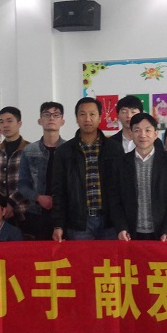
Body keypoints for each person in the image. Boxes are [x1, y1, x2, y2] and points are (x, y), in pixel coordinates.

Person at [108, 113, 167, 333]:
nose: (143, 135)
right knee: (138, 287)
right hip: (134, 235)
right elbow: (114, 200)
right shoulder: (121, 163)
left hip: (162, 235)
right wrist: (121, 227)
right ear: (131, 133)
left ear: (155, 133)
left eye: (148, 130)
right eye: (137, 130)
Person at [52, 97, 125, 242]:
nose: (87, 119)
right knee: (81, 257)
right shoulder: (64, 151)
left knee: (109, 257)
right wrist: (58, 225)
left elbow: (122, 187)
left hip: (110, 222)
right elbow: (58, 191)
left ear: (100, 118)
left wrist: (122, 223)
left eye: (92, 114)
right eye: (82, 114)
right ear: (77, 118)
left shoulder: (114, 149)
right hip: (79, 223)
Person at [17, 102, 66, 240]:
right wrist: (38, 198)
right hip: (36, 212)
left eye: (56, 115)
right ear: (40, 120)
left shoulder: (69, 149)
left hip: (64, 213)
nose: (51, 118)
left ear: (62, 121)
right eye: (46, 114)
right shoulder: (29, 150)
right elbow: (22, 184)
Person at [0, 106, 30, 222]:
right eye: (1, 122)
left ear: (19, 124)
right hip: (0, 212)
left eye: (9, 121)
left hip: (25, 211)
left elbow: (31, 182)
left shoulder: (30, 150)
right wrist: (2, 203)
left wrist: (11, 203)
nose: (5, 125)